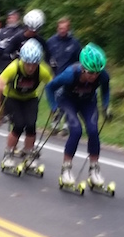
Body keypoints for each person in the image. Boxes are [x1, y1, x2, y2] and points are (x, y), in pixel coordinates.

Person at [46, 43, 112, 187]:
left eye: (97, 73)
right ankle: (66, 169)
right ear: (82, 68)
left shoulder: (103, 76)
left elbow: (105, 91)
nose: (94, 76)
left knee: (93, 131)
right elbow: (50, 88)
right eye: (90, 73)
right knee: (76, 131)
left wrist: (106, 106)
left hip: (88, 101)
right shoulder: (70, 74)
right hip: (67, 100)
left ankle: (94, 169)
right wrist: (54, 108)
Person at [0, 38, 54, 170]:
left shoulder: (42, 70)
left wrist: (56, 104)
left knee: (31, 125)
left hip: (30, 97)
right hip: (11, 97)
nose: (31, 68)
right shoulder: (14, 67)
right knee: (19, 125)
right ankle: (8, 154)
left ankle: (28, 153)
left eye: (34, 64)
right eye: (28, 64)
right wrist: (3, 86)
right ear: (23, 61)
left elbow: (52, 86)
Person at [0, 9, 24, 76]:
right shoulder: (1, 31)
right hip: (1, 63)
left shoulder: (21, 32)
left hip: (15, 62)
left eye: (14, 17)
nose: (11, 19)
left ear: (17, 18)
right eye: (10, 17)